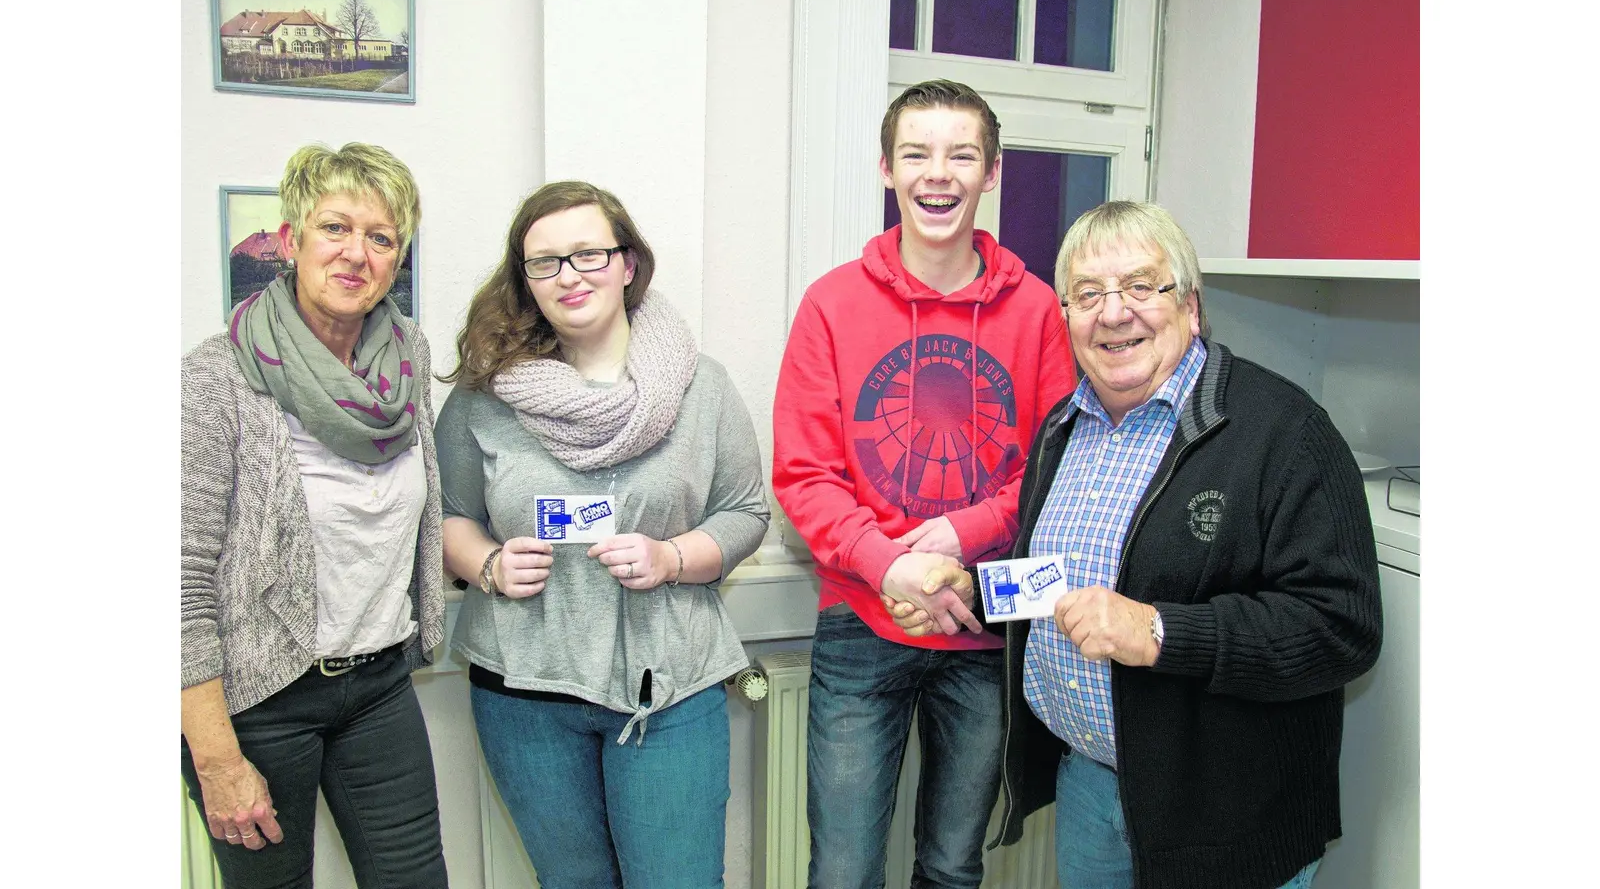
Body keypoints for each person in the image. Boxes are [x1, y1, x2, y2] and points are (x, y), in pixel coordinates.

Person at [885, 200, 1384, 889]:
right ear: (1066, 317)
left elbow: (1341, 628)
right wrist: (973, 587)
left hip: (1226, 815)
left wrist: (1157, 631)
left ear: (1192, 306)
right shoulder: (1067, 425)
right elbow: (1060, 579)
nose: (1114, 313)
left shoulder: (1285, 433)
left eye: (1142, 286)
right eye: (1088, 294)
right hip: (1091, 791)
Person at [772, 79, 1078, 888]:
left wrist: (956, 540)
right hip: (861, 624)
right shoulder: (830, 305)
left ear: (993, 173)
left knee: (952, 866)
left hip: (982, 627)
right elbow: (805, 474)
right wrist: (892, 565)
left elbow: (1052, 472)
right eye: (916, 153)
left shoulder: (1040, 310)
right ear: (886, 168)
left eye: (960, 154)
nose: (937, 174)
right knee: (841, 870)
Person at [436, 180, 769, 888]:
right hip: (525, 693)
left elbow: (745, 512)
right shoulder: (483, 394)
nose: (570, 275)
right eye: (546, 262)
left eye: (588, 253)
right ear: (525, 283)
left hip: (669, 687)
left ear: (628, 264)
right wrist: (490, 564)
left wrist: (673, 557)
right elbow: (446, 515)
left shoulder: (700, 388)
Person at [180, 142, 449, 888]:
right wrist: (216, 758)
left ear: (398, 259)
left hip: (379, 685)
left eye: (381, 236)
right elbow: (178, 584)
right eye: (335, 227)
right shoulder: (217, 377)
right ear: (292, 240)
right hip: (257, 702)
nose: (355, 253)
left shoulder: (409, 358)